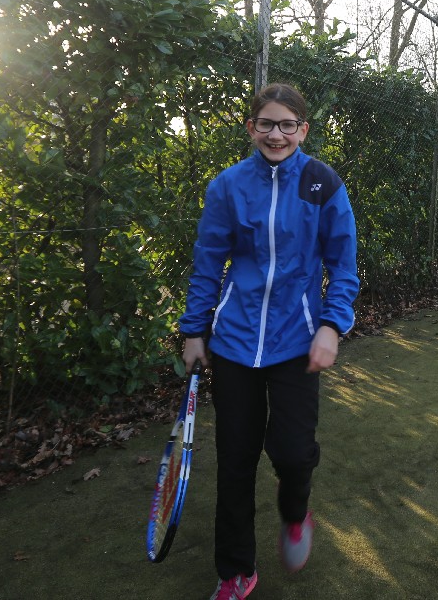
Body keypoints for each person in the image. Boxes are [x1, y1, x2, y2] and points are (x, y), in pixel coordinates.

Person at [180, 83, 359, 600]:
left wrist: (331, 325)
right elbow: (208, 263)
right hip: (234, 344)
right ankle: (236, 571)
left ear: (303, 130)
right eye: (266, 124)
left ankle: (295, 513)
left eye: (287, 125)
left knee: (294, 455)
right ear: (251, 128)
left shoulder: (323, 183)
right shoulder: (227, 186)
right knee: (234, 462)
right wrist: (194, 331)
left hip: (297, 343)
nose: (276, 134)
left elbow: (343, 266)